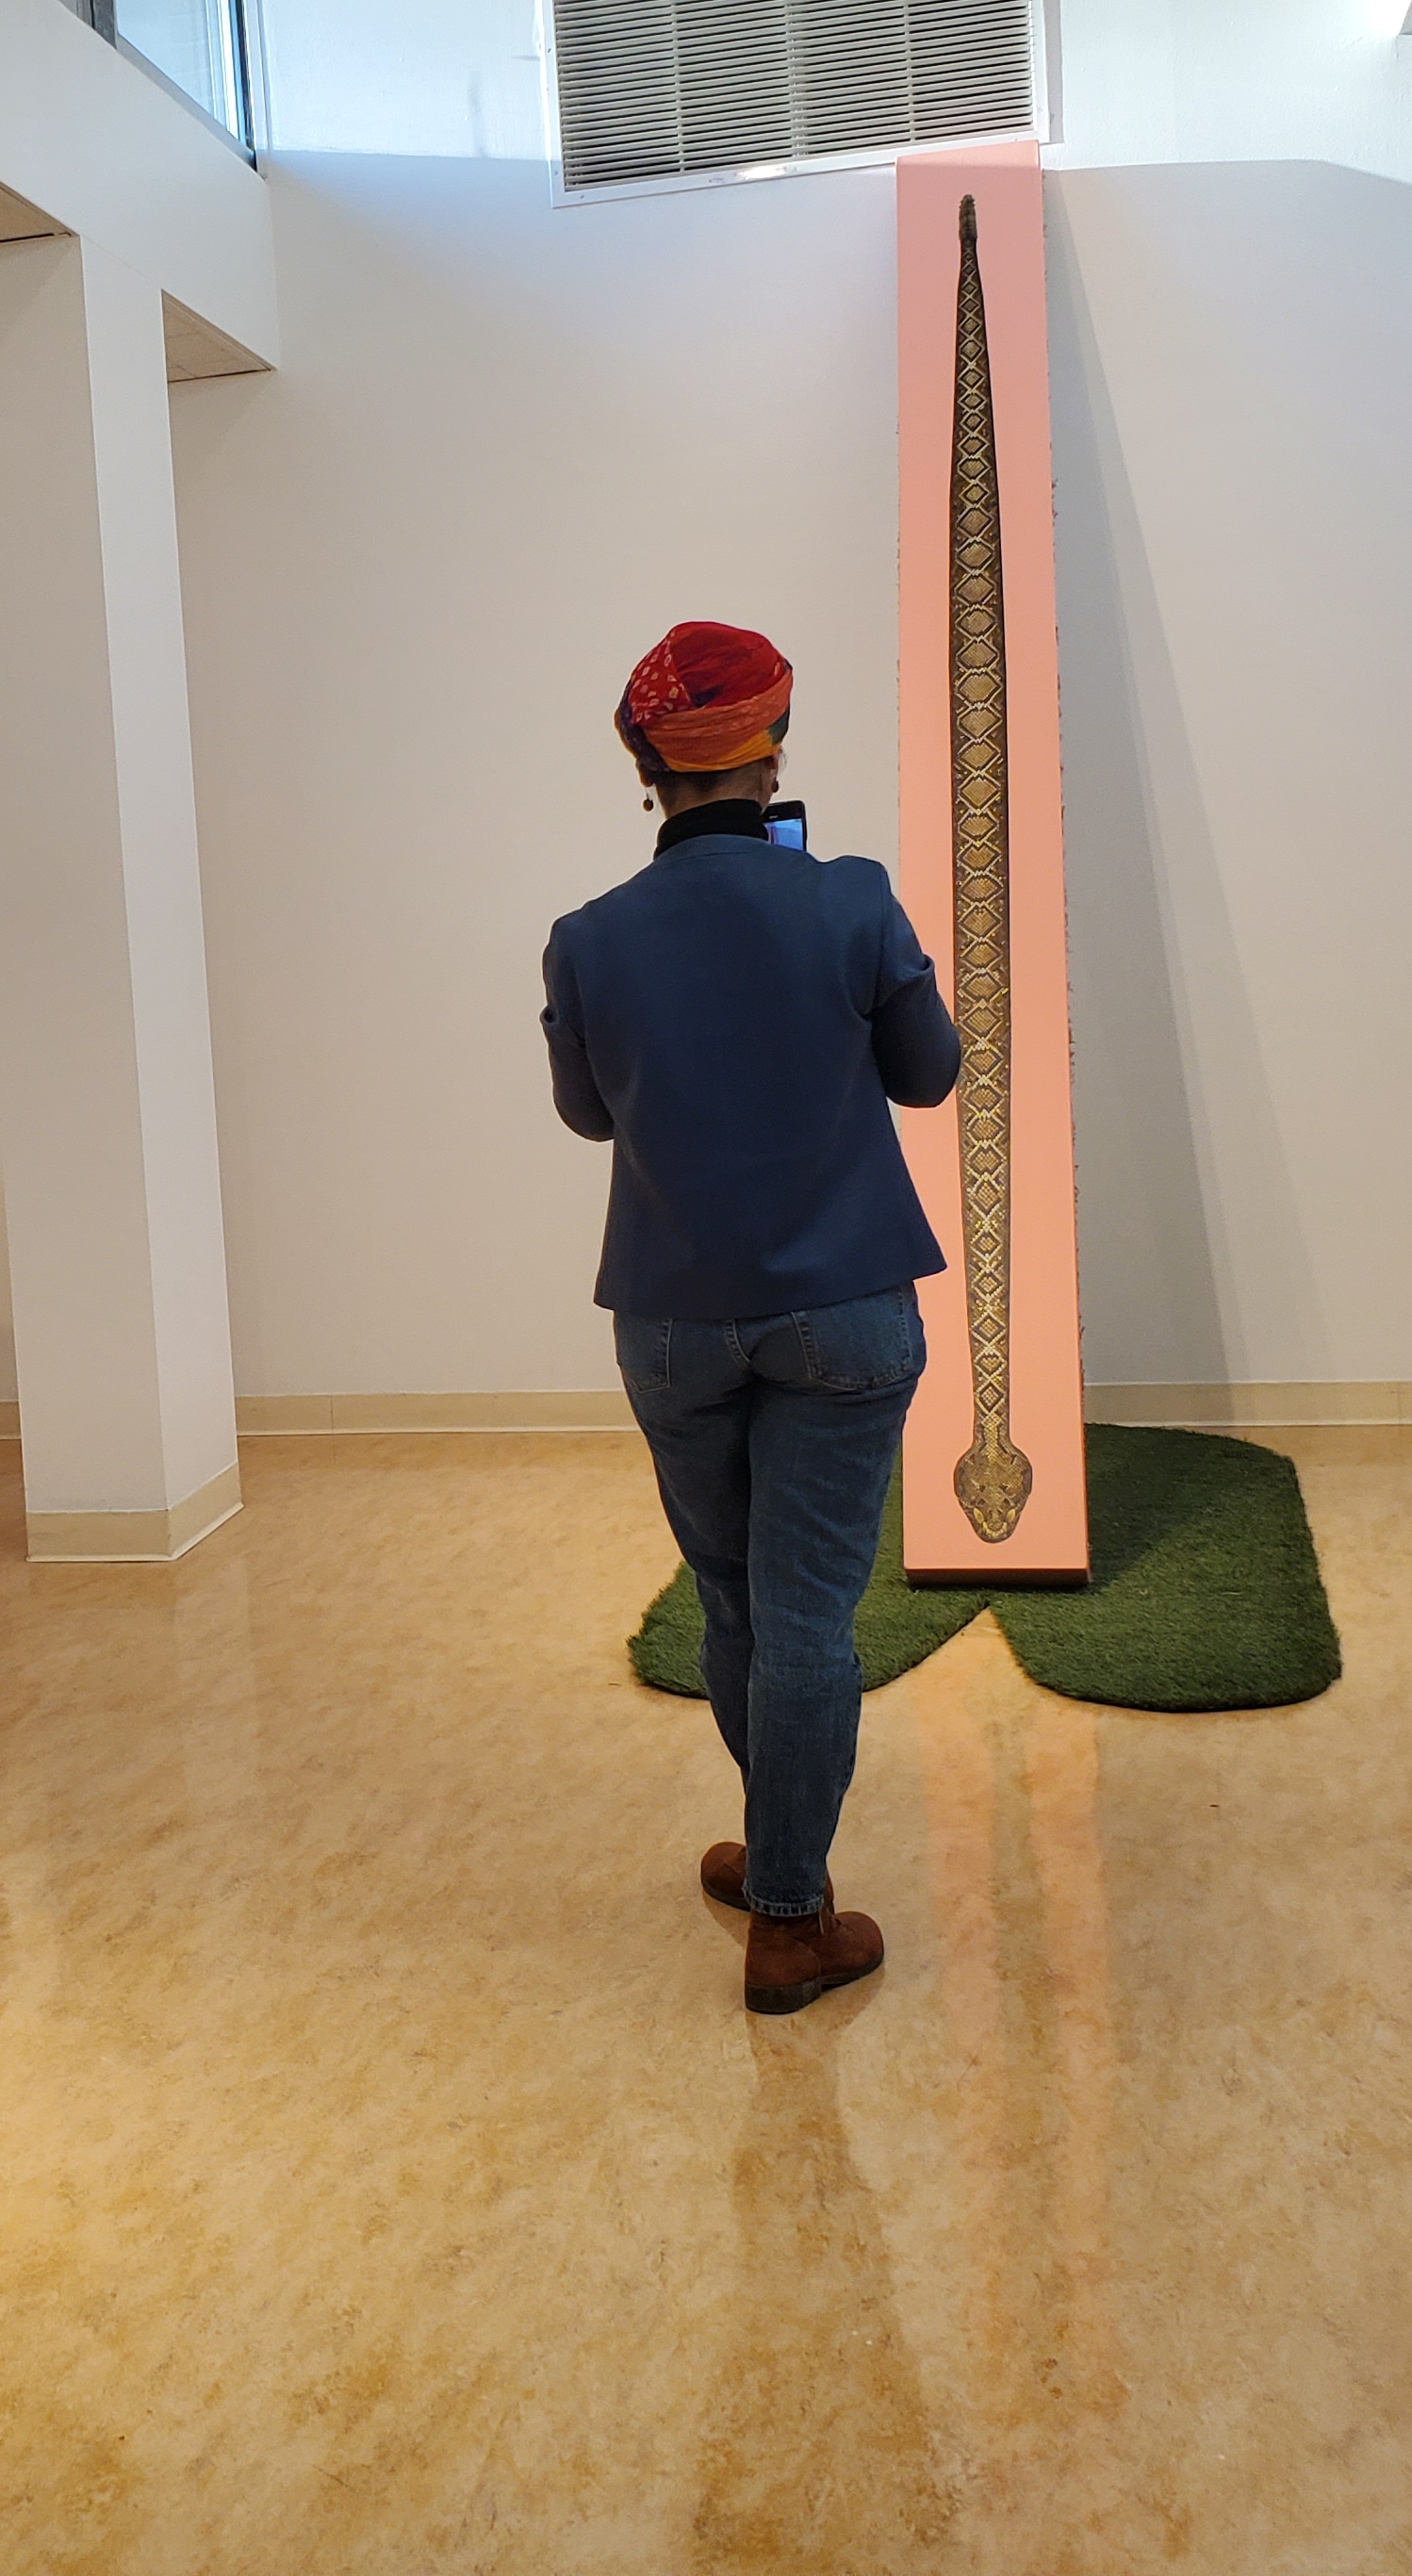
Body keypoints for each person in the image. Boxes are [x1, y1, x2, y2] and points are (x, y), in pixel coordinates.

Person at [540, 623, 960, 2015]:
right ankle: (790, 1912)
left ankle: (781, 1856)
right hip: (844, 1312)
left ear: (645, 770)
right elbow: (929, 1076)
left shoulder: (589, 938)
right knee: (809, 1623)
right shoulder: (850, 899)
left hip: (671, 1320)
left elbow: (589, 1114)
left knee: (734, 1606)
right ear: (771, 752)